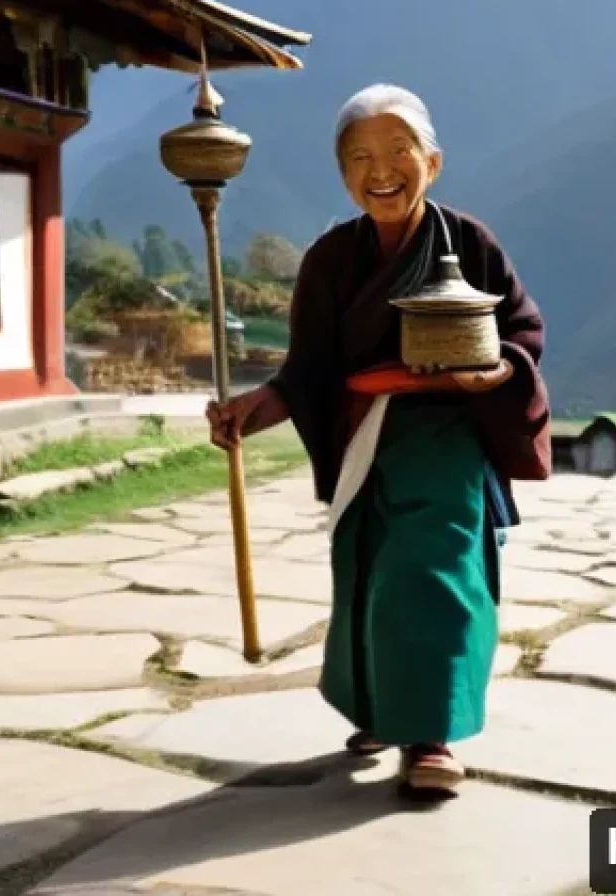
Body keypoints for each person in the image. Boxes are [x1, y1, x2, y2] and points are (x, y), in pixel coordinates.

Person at [207, 84, 550, 797]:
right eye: (360, 157)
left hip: (448, 437)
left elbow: (521, 333)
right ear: (343, 174)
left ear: (433, 161)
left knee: (435, 574)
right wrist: (251, 411)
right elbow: (306, 372)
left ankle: (430, 735)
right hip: (362, 437)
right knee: (368, 576)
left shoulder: (471, 244)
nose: (381, 170)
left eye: (399, 151)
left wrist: (496, 371)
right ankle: (380, 708)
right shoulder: (331, 259)